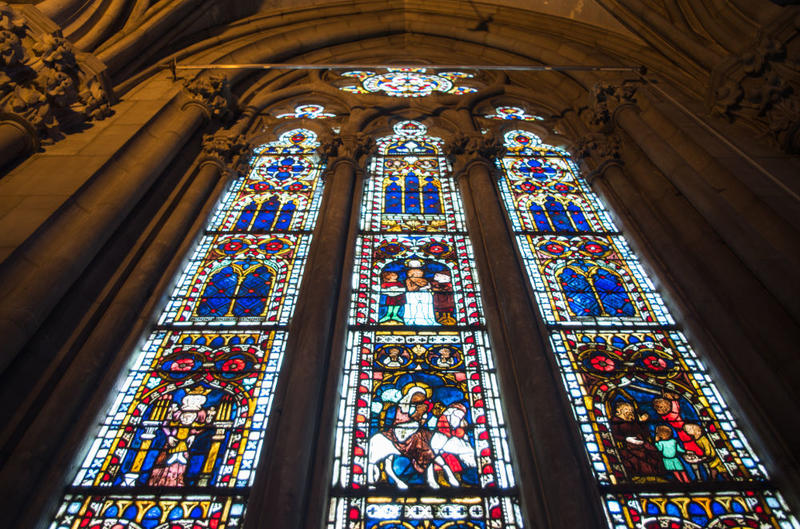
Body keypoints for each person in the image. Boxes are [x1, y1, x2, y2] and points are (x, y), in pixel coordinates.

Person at [148, 387, 216, 487]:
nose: (192, 401)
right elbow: (166, 425)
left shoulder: (198, 418)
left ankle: (177, 481)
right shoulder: (177, 417)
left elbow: (203, 427)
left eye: (196, 400)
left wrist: (193, 435)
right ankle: (160, 482)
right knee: (165, 462)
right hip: (173, 443)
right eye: (191, 399)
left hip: (184, 446)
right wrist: (169, 436)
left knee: (181, 464)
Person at [609, 401, 664, 480]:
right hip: (626, 446)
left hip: (641, 444)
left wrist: (643, 423)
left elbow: (645, 434)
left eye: (631, 410)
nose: (629, 412)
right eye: (626, 410)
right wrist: (626, 439)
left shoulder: (633, 421)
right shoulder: (615, 421)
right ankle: (639, 478)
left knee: (654, 453)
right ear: (618, 410)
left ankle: (655, 477)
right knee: (636, 457)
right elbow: (613, 435)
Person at [652, 392, 703, 458]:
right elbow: (676, 404)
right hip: (682, 430)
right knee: (689, 443)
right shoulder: (672, 414)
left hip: (681, 430)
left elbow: (675, 403)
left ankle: (698, 454)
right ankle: (698, 454)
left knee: (688, 443)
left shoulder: (666, 416)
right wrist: (672, 398)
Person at [404, 261, 437, 325]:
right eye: (415, 274)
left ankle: (429, 320)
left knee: (426, 307)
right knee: (412, 308)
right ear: (410, 275)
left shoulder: (424, 280)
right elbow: (410, 289)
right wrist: (418, 286)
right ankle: (410, 321)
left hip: (425, 295)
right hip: (412, 295)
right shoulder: (408, 280)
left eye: (419, 274)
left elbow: (429, 287)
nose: (418, 275)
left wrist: (426, 286)